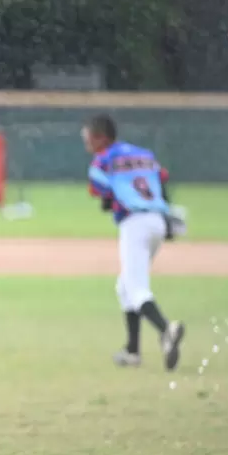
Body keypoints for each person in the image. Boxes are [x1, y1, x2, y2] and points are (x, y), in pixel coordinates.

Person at [83, 115, 185, 370]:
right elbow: (161, 180)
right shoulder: (145, 154)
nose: (87, 142)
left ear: (101, 138)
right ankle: (132, 351)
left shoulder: (102, 160)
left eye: (89, 137)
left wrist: (110, 201)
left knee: (136, 288)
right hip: (158, 221)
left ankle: (167, 330)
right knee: (124, 286)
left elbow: (103, 191)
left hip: (134, 223)